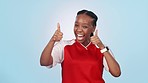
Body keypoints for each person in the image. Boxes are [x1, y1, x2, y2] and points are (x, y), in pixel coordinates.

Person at [40, 9, 121, 83]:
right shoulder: (64, 46)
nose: (79, 29)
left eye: (84, 26)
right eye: (76, 25)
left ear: (93, 28)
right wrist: (52, 40)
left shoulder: (101, 48)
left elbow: (116, 73)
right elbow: (44, 62)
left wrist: (102, 47)